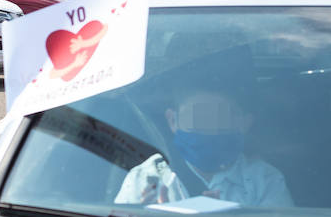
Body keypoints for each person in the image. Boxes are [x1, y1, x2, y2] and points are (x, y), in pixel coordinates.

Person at [116, 80, 293, 207]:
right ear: (173, 121)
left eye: (222, 119)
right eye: (198, 118)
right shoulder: (145, 179)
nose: (210, 130)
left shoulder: (263, 181)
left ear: (244, 123)